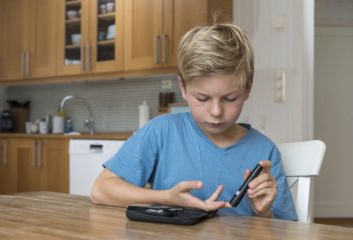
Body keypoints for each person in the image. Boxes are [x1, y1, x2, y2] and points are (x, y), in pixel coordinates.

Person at [90, 23, 297, 220]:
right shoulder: (161, 132)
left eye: (230, 98)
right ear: (183, 87)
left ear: (248, 88)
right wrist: (165, 197)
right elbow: (101, 190)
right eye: (203, 98)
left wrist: (263, 213)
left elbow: (288, 230)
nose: (216, 112)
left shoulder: (264, 151)